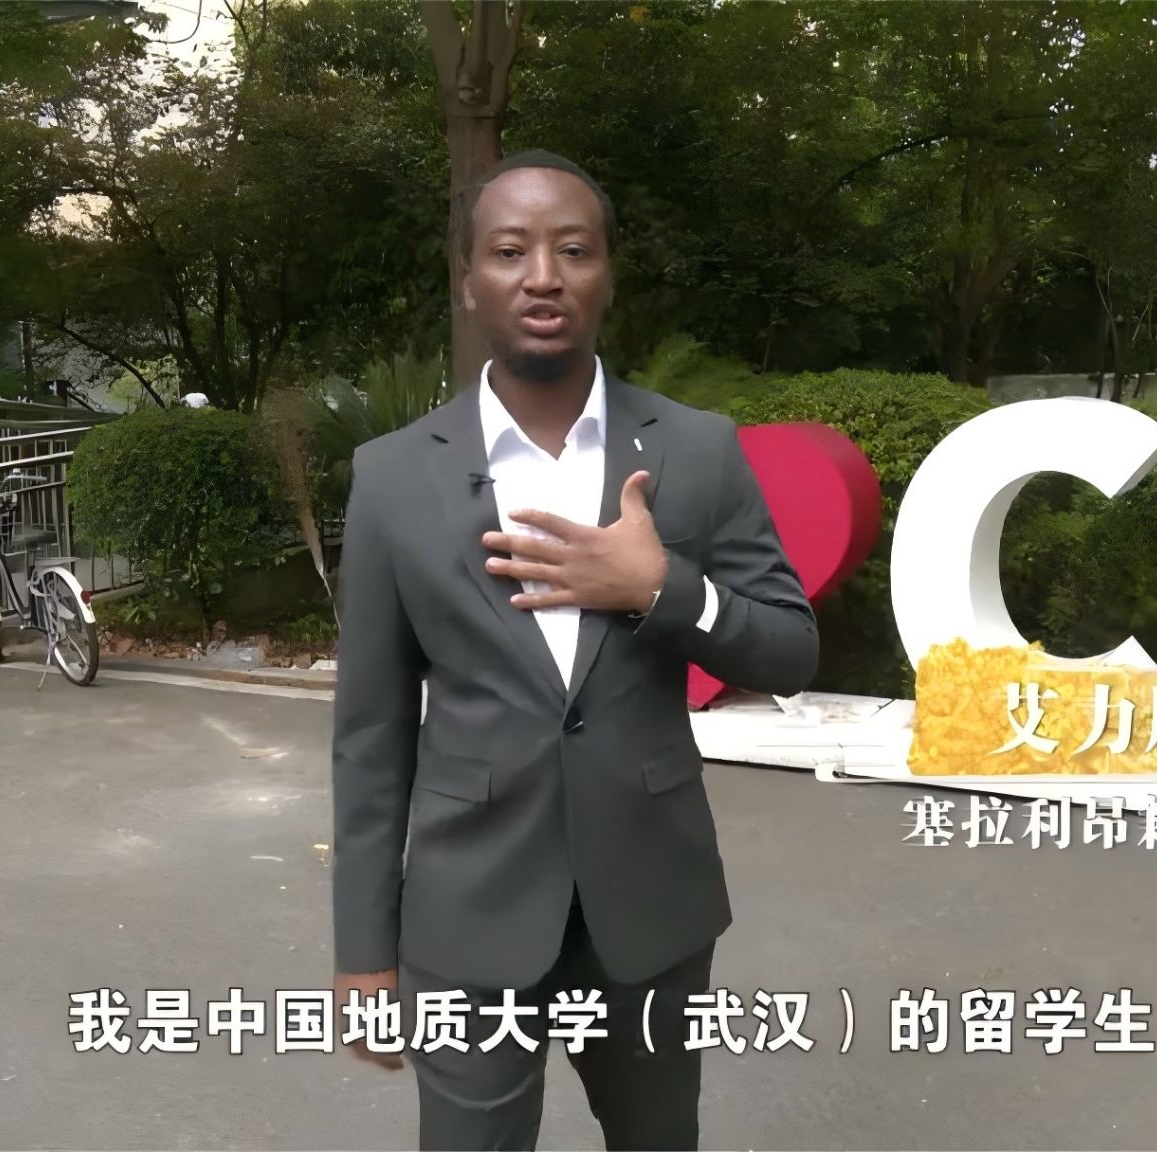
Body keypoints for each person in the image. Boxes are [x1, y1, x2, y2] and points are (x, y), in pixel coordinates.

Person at [329, 149, 818, 1152]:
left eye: (573, 250)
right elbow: (371, 735)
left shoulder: (697, 449)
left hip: (649, 909)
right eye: (510, 251)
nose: (542, 276)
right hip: (466, 912)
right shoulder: (392, 477)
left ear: (607, 275)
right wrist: (363, 952)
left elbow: (789, 650)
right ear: (469, 280)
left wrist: (658, 588)